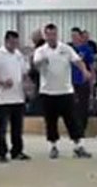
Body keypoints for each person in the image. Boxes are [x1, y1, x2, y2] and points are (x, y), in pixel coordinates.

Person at [32, 23, 92, 159]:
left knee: (72, 120)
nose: (51, 37)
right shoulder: (40, 51)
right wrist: (41, 62)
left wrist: (85, 71)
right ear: (45, 35)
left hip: (65, 91)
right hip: (48, 92)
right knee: (51, 122)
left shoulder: (66, 49)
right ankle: (53, 147)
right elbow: (36, 65)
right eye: (48, 34)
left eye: (54, 34)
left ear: (57, 34)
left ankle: (78, 146)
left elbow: (77, 61)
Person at [0, 30, 30, 163]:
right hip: (3, 98)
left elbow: (24, 72)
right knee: (2, 128)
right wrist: (2, 83)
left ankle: (17, 151)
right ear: (6, 41)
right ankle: (2, 152)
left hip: (18, 97)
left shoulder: (19, 55)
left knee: (17, 127)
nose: (14, 45)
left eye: (16, 42)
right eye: (12, 42)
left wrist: (27, 85)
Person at [70, 27, 96, 139]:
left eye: (76, 36)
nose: (74, 38)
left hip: (83, 81)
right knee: (73, 107)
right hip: (71, 82)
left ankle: (82, 129)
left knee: (83, 107)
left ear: (80, 37)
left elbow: (91, 66)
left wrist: (92, 79)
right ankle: (74, 130)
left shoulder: (87, 49)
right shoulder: (69, 49)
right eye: (72, 36)